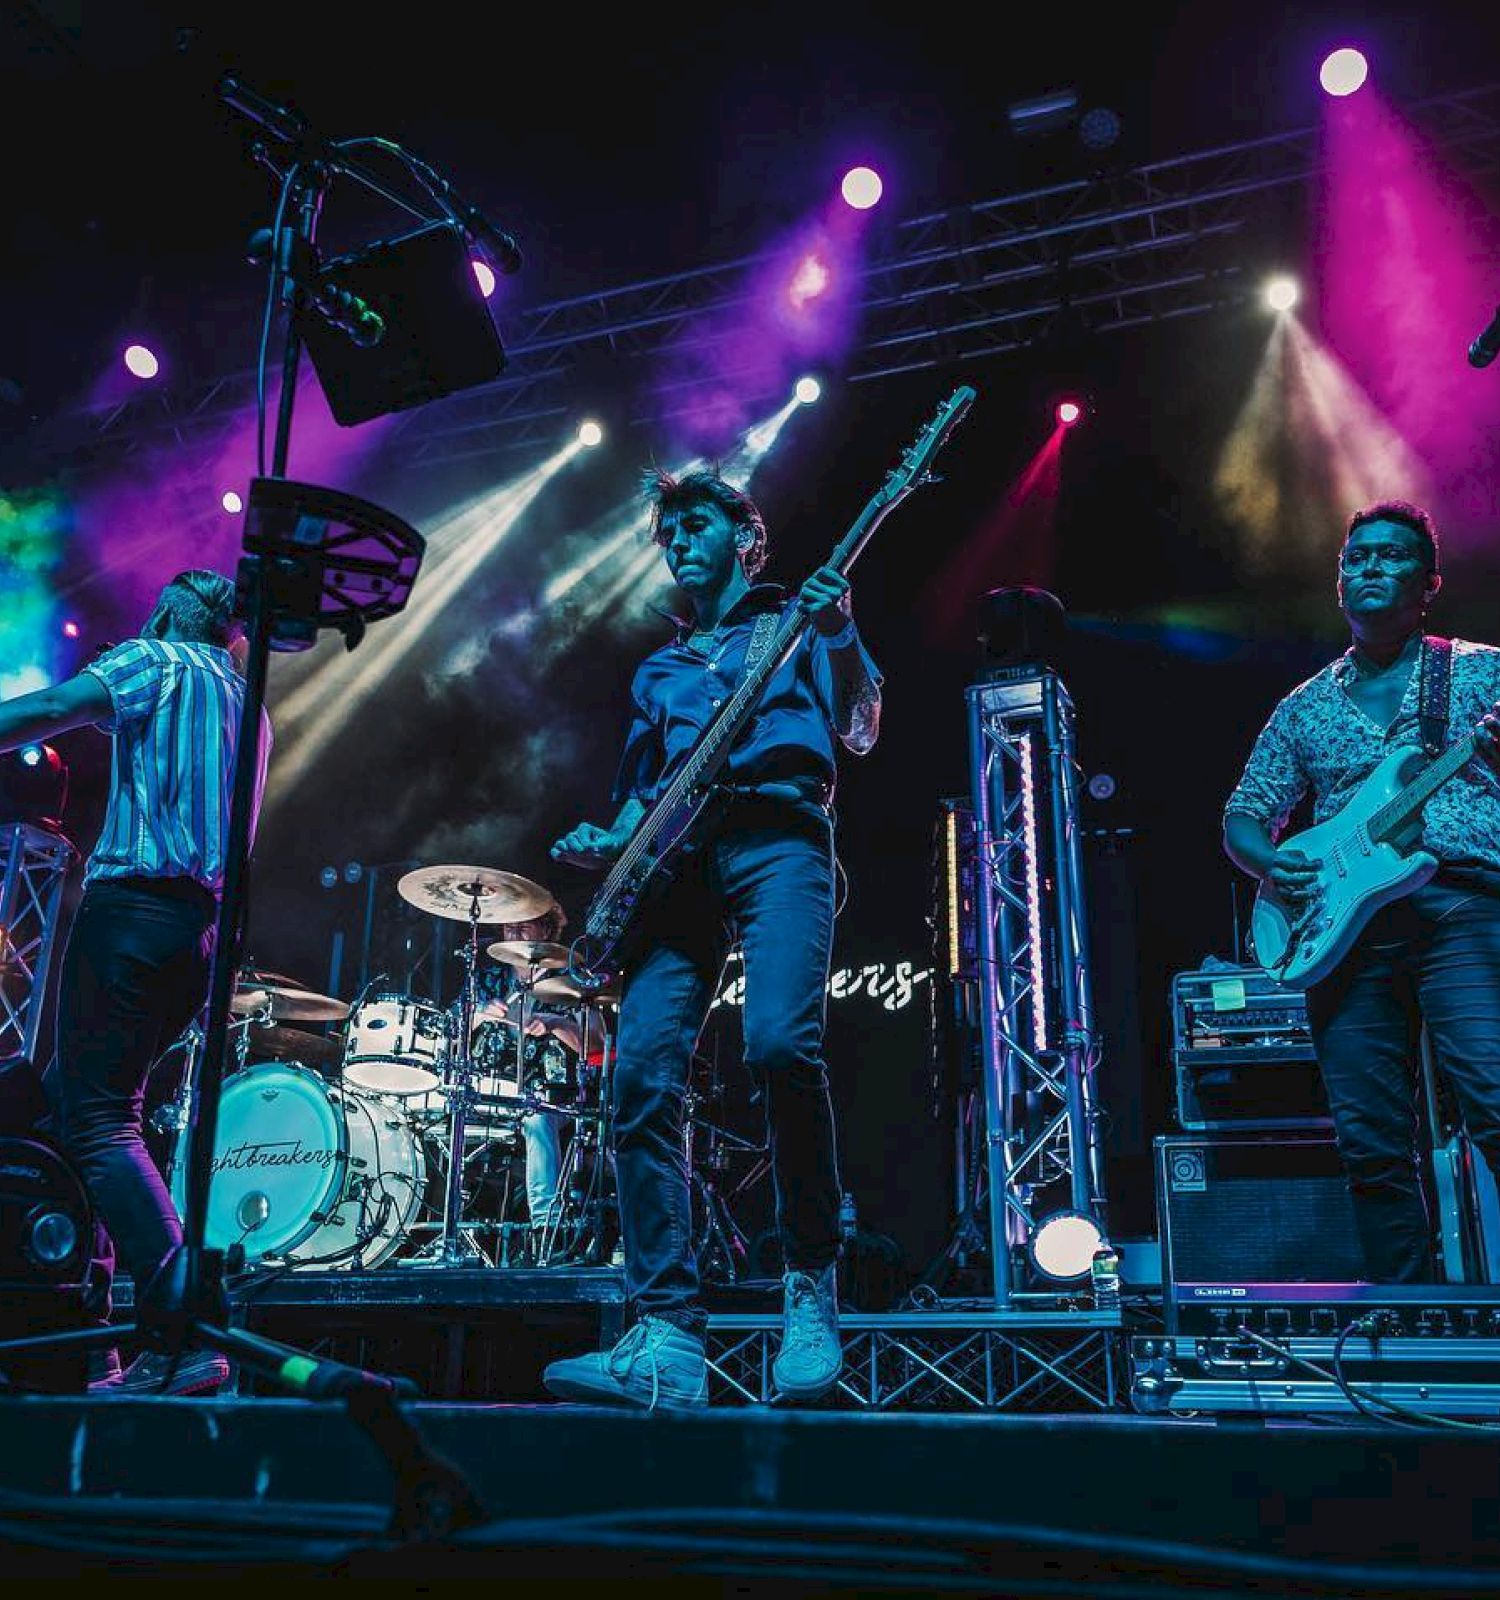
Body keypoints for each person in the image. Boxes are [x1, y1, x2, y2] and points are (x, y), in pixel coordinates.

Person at [543, 466, 882, 1409]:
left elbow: (858, 725)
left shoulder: (797, 625)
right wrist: (604, 842)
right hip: (677, 869)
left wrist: (841, 630)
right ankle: (666, 1334)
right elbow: (641, 801)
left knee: (779, 1043)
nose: (677, 543)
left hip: (779, 839)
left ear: (746, 536)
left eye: (695, 525)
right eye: (668, 533)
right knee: (640, 1077)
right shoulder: (659, 669)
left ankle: (810, 1282)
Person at [0, 570, 271, 1393]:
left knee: (98, 1127)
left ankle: (188, 1335)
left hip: (132, 916)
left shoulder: (157, 660)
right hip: (196, 935)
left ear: (173, 610)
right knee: (74, 1110)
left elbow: (47, 713)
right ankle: (107, 1341)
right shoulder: (250, 707)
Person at [1223, 501, 1500, 1283]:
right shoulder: (1303, 705)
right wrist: (1273, 865)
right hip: (1344, 931)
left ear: (1429, 583)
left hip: (1460, 903)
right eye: (1356, 558)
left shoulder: (1481, 671)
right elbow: (1245, 813)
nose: (1369, 567)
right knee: (1372, 1141)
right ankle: (1412, 1320)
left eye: (1389, 556)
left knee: (1493, 1096)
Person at [466, 903, 592, 1259]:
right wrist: (477, 1015)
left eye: (524, 926)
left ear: (547, 929)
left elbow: (595, 1042)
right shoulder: (487, 977)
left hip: (553, 1098)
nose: (514, 933)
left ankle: (545, 1232)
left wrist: (553, 1023)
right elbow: (449, 1032)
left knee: (536, 1119)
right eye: (508, 927)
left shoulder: (569, 977)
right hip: (491, 1091)